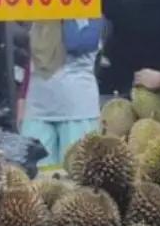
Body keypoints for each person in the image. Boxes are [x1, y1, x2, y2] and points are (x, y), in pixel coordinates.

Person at [14, 16, 109, 166]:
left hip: (78, 112)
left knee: (77, 177)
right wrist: (21, 101)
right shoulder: (38, 13)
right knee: (37, 179)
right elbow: (30, 63)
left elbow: (75, 42)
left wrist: (62, 13)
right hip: (37, 111)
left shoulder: (92, 16)